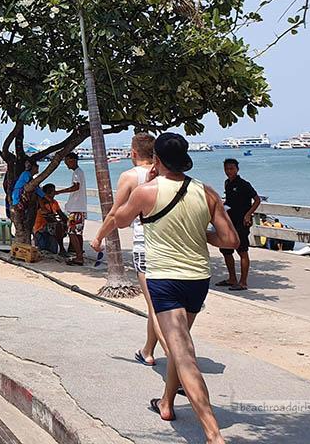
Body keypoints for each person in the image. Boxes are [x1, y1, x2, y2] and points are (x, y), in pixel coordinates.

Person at [95, 133, 237, 444]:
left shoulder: (146, 192)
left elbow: (119, 221)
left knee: (183, 351)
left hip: (165, 281)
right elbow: (230, 240)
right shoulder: (207, 192)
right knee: (178, 344)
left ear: (157, 160)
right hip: (197, 280)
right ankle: (167, 403)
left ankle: (213, 434)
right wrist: (203, 235)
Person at [91, 133, 166, 366]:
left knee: (156, 309)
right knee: (157, 304)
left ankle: (181, 364)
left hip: (146, 246)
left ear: (133, 153)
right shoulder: (166, 173)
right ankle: (148, 351)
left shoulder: (130, 176)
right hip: (169, 246)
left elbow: (115, 213)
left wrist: (98, 237)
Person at [216, 158, 260, 291]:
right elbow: (229, 201)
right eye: (226, 169)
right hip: (229, 221)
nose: (228, 171)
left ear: (237, 169)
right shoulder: (227, 183)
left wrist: (248, 214)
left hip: (242, 222)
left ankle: (243, 282)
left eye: (231, 168)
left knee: (242, 250)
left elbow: (257, 200)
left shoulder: (244, 184)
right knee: (225, 250)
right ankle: (232, 278)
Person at [56, 152, 87, 266]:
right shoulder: (80, 172)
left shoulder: (77, 173)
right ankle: (80, 255)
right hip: (80, 208)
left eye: (67, 161)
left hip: (75, 208)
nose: (66, 163)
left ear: (72, 160)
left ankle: (79, 257)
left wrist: (59, 192)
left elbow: (76, 187)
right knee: (78, 233)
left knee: (72, 233)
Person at [10, 159, 46, 243]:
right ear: (33, 168)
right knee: (21, 221)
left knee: (25, 221)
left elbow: (35, 188)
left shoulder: (29, 176)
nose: (38, 170)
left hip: (20, 199)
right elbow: (33, 186)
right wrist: (44, 196)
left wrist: (44, 196)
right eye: (37, 167)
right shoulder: (26, 174)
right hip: (18, 197)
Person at [34, 184, 68, 255]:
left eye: (52, 191)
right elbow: (48, 217)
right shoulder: (41, 203)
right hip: (41, 227)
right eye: (50, 192)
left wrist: (68, 221)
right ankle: (62, 248)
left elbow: (61, 214)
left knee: (67, 224)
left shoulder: (54, 202)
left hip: (50, 225)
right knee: (57, 225)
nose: (52, 194)